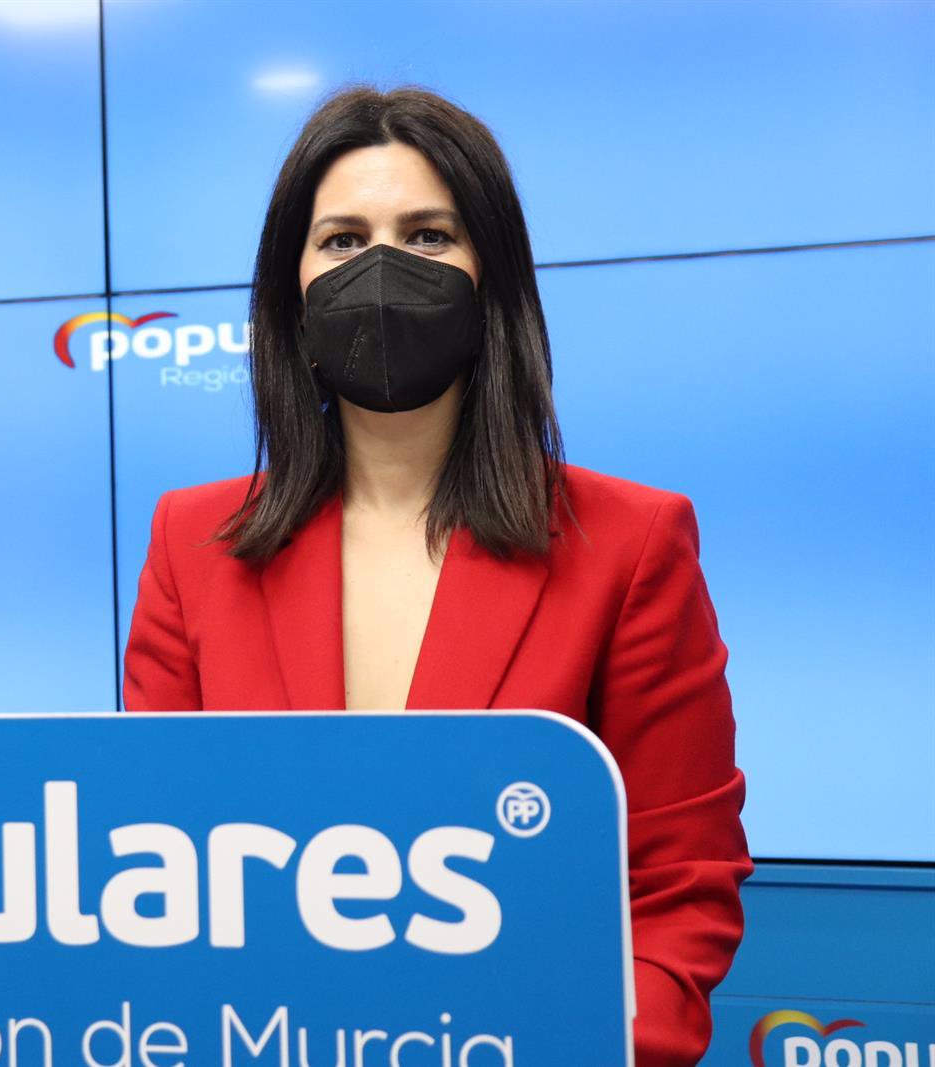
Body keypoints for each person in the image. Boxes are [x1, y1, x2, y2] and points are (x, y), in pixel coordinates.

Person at [121, 85, 752, 1067]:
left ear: (491, 274)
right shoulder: (191, 542)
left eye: (426, 235)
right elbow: (151, 861)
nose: (380, 269)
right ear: (290, 287)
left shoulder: (631, 542)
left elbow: (676, 889)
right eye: (342, 239)